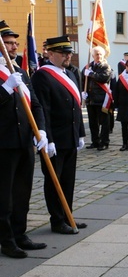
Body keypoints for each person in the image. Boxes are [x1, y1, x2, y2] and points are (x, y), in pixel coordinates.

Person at [0, 21, 49, 258]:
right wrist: (5, 89)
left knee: (23, 192)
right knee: (4, 196)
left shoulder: (19, 71)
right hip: (3, 143)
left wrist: (41, 131)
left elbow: (36, 105)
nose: (13, 47)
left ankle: (20, 234)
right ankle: (7, 240)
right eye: (8, 43)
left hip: (24, 142)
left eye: (15, 43)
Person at [31, 36, 86, 235]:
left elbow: (76, 108)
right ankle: (57, 220)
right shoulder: (42, 76)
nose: (68, 56)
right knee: (54, 181)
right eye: (63, 53)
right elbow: (43, 109)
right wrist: (49, 140)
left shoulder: (70, 74)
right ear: (50, 53)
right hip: (55, 139)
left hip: (70, 136)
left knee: (68, 180)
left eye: (69, 53)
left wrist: (80, 133)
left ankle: (68, 215)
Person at [82, 46, 112, 150]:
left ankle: (104, 142)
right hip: (91, 99)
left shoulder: (106, 66)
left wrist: (91, 73)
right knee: (92, 122)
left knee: (104, 122)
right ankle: (95, 141)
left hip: (102, 99)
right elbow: (83, 79)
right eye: (96, 54)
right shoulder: (88, 66)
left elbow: (104, 78)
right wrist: (83, 92)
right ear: (93, 55)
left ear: (103, 55)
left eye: (100, 54)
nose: (98, 56)